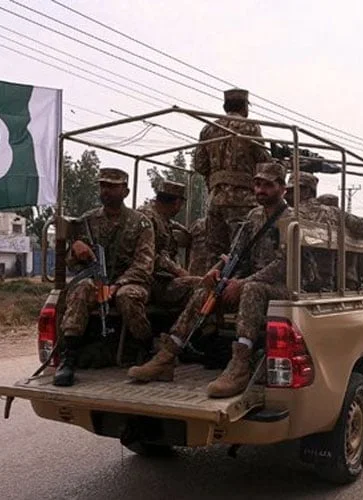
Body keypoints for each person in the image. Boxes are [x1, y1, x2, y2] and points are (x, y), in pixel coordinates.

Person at [128, 161, 293, 398]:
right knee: (207, 290)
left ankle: (240, 365)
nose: (260, 190)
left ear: (282, 188)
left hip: (282, 287)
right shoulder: (253, 216)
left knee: (252, 289)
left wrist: (242, 283)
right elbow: (237, 253)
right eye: (257, 184)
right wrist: (219, 272)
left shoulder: (290, 220)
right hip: (250, 281)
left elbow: (283, 264)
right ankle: (166, 356)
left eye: (267, 185)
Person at [55, 168, 155, 387]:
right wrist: (76, 250)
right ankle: (68, 358)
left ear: (125, 191)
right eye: (103, 186)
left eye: (112, 186)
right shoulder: (87, 221)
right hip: (96, 281)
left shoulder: (140, 223)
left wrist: (117, 285)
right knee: (81, 289)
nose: (106, 191)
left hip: (129, 282)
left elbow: (144, 265)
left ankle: (146, 350)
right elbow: (71, 264)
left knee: (127, 296)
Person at [193, 88, 271, 267]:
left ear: (225, 106)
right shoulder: (250, 126)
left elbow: (200, 165)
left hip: (215, 200)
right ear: (244, 107)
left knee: (215, 252)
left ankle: (213, 284)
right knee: (243, 250)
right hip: (243, 201)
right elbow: (263, 161)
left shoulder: (208, 129)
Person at [285, 172, 363, 291]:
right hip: (322, 284)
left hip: (292, 281)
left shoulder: (287, 213)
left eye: (291, 191)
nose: (286, 195)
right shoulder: (333, 212)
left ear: (307, 191)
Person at [138, 181, 202, 310]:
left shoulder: (158, 216)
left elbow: (169, 226)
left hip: (157, 278)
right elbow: (151, 254)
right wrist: (179, 271)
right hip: (151, 280)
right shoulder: (148, 218)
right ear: (177, 203)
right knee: (201, 287)